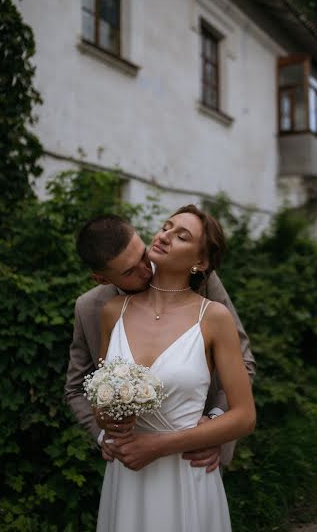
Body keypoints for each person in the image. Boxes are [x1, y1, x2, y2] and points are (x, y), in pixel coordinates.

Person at [95, 205, 256, 531]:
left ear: (201, 262)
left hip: (185, 473)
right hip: (126, 476)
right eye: (166, 227)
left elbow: (244, 416)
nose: (166, 236)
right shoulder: (112, 311)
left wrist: (161, 445)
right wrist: (110, 424)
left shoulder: (213, 318)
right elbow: (99, 403)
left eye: (182, 236)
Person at [65, 210, 256, 470]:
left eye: (143, 254)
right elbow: (79, 387)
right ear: (102, 279)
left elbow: (243, 362)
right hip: (128, 460)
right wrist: (105, 434)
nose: (147, 269)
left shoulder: (201, 281)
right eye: (131, 271)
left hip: (194, 455)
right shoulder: (96, 309)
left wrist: (214, 427)